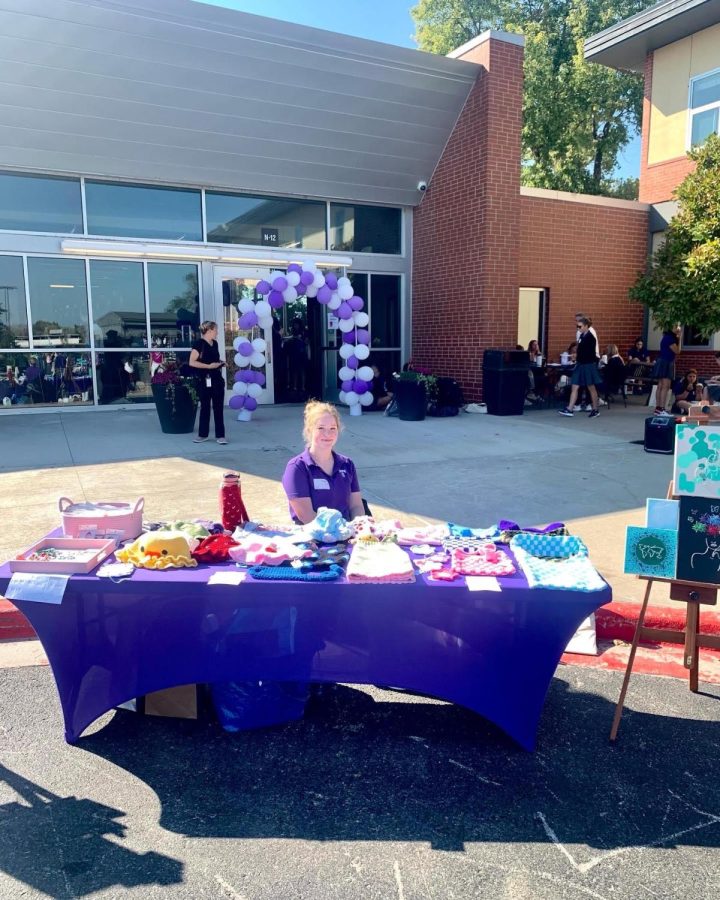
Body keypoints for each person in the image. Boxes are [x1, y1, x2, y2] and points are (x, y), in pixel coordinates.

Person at [281, 401, 364, 524]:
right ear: (309, 430)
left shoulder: (347, 464)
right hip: (313, 537)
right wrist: (338, 533)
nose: (327, 434)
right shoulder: (297, 467)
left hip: (347, 534)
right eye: (321, 428)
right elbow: (307, 516)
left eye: (332, 428)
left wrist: (359, 527)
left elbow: (356, 506)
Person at [189, 320, 227, 444]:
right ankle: (203, 434)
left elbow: (214, 359)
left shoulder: (214, 344)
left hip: (216, 379)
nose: (217, 332)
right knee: (205, 407)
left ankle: (220, 435)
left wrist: (221, 363)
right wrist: (208, 367)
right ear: (209, 330)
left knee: (218, 407)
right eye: (215, 330)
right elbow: (192, 362)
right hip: (204, 379)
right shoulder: (199, 344)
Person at [559, 317, 602, 418]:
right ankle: (570, 408)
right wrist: (576, 356)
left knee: (591, 387)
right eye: (577, 326)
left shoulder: (591, 338)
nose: (578, 328)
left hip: (588, 364)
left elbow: (589, 354)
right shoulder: (582, 336)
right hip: (580, 364)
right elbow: (581, 351)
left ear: (586, 326)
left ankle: (595, 409)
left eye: (580, 326)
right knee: (575, 385)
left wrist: (577, 356)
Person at [653, 326, 680, 416]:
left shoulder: (666, 337)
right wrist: (679, 338)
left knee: (660, 385)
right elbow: (677, 351)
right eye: (676, 327)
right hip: (666, 362)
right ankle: (661, 409)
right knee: (665, 386)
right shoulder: (670, 338)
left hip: (662, 361)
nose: (678, 328)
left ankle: (658, 408)